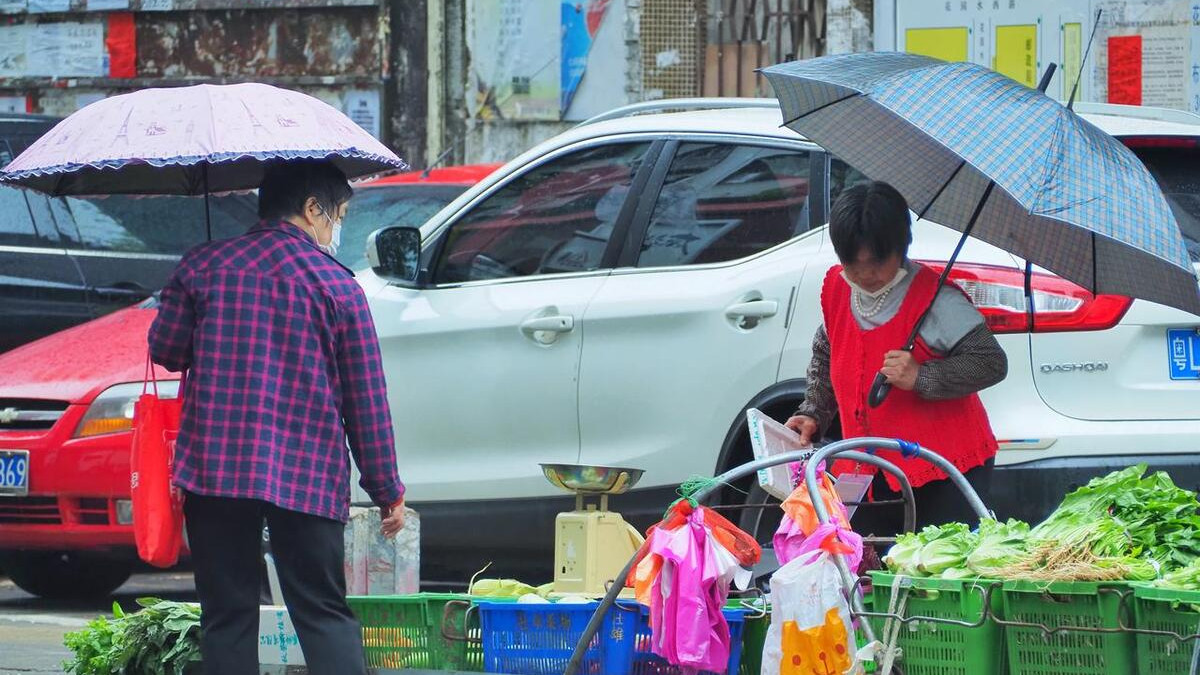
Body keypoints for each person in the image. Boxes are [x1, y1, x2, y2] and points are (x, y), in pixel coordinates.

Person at [149, 160, 406, 675]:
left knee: (227, 614)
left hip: (217, 474)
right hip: (306, 476)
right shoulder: (338, 287)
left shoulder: (204, 265)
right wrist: (387, 490)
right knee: (322, 611)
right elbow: (365, 401)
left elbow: (167, 350)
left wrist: (204, 298)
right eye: (338, 216)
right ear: (313, 210)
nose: (336, 229)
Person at [785, 181, 1007, 536]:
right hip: (865, 467)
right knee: (866, 570)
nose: (864, 275)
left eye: (876, 263)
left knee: (932, 577)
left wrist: (923, 377)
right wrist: (814, 412)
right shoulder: (838, 288)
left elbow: (991, 362)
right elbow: (828, 351)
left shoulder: (938, 300)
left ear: (902, 247)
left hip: (943, 469)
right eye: (852, 264)